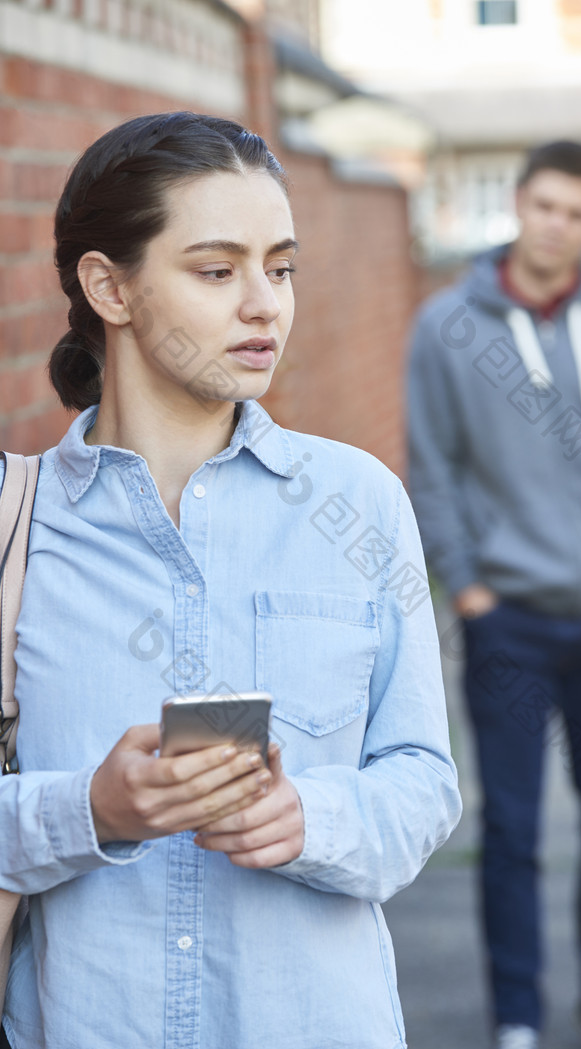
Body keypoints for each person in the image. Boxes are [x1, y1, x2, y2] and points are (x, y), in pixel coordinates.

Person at [0, 111, 462, 1049]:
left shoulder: (359, 502)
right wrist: (88, 809)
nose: (266, 305)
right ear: (109, 287)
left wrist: (311, 817)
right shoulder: (17, 524)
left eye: (280, 267)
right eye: (218, 271)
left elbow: (422, 782)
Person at [407, 141, 581, 1049]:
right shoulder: (448, 326)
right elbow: (432, 468)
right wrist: (472, 590)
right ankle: (516, 1014)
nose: (556, 224)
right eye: (543, 205)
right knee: (511, 831)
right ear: (518, 206)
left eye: (575, 211)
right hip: (508, 623)